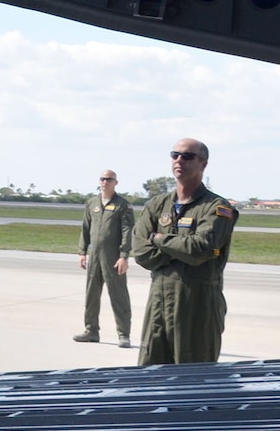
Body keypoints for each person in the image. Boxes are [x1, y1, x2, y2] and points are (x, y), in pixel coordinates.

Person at [132, 139, 237, 366]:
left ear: (203, 164)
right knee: (150, 375)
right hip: (159, 302)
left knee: (194, 377)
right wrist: (179, 248)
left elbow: (201, 249)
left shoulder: (217, 207)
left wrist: (158, 238)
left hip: (197, 305)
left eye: (187, 156)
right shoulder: (156, 205)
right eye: (175, 155)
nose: (179, 160)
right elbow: (141, 252)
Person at [74, 169, 135, 348]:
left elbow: (127, 231)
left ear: (116, 182)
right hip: (94, 256)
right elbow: (85, 228)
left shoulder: (123, 205)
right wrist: (82, 252)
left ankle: (124, 334)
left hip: (113, 257)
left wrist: (124, 256)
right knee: (91, 294)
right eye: (102, 179)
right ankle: (91, 330)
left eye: (109, 179)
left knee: (118, 295)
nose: (105, 182)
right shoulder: (92, 203)